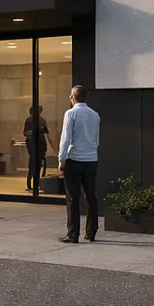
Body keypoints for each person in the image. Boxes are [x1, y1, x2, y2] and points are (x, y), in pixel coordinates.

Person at [58, 84, 100, 243]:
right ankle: (91, 232)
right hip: (91, 159)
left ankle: (73, 233)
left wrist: (61, 159)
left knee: (73, 198)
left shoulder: (70, 114)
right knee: (91, 197)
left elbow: (66, 138)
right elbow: (96, 139)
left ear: (73, 98)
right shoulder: (95, 115)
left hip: (74, 159)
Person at [23, 105, 49, 192]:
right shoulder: (30, 120)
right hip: (34, 144)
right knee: (34, 165)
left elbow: (45, 130)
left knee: (36, 165)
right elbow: (26, 132)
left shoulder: (41, 120)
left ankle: (34, 183)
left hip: (39, 144)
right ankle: (31, 183)